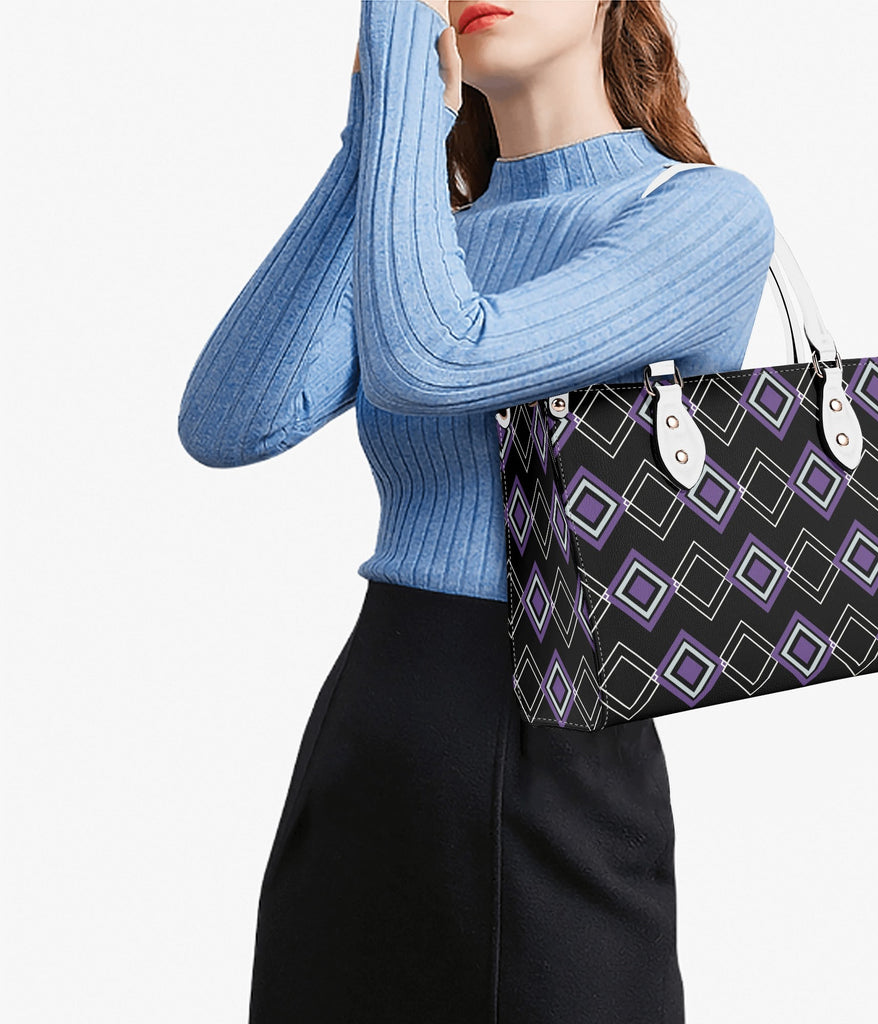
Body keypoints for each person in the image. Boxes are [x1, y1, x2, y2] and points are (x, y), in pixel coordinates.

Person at [177, 1, 774, 1021]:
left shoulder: (698, 214)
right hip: (374, 727)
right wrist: (377, 131)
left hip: (560, 744)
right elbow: (234, 417)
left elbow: (434, 355)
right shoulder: (428, 241)